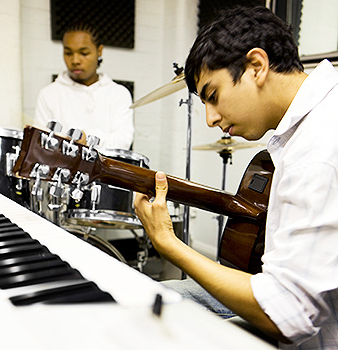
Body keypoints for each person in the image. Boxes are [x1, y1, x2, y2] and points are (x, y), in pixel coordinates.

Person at [134, 5, 338, 349]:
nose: (211, 119)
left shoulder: (317, 148)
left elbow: (286, 316)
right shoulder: (312, 123)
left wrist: (170, 245)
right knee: (147, 298)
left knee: (147, 326)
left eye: (212, 96)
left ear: (256, 66)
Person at [34, 22, 134, 150]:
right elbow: (40, 146)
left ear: (99, 51)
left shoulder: (119, 94)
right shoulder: (48, 94)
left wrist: (87, 138)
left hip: (104, 169)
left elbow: (123, 141)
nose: (75, 60)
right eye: (69, 53)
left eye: (84, 53)